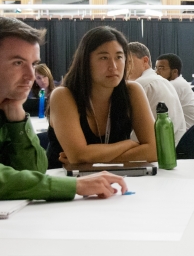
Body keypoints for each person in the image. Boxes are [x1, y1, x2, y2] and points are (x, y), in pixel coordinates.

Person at [0, 17, 127, 200]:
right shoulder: (64, 94)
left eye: (34, 64)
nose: (31, 75)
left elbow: (34, 171)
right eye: (18, 63)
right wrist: (76, 185)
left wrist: (17, 118)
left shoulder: (9, 109)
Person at [47, 27, 156, 169]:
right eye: (104, 58)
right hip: (66, 183)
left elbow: (154, 150)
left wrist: (93, 160)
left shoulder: (132, 91)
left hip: (117, 180)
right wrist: (128, 144)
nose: (113, 66)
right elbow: (78, 155)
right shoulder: (63, 96)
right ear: (85, 61)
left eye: (119, 57)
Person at [128, 43, 186, 145]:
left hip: (153, 152)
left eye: (128, 62)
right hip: (175, 148)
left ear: (145, 61)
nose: (124, 67)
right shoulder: (162, 81)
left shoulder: (141, 84)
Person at [155, 53, 194, 130]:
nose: (156, 72)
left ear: (175, 71)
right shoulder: (178, 82)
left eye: (161, 68)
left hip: (191, 135)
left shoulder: (174, 85)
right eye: (156, 68)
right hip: (191, 131)